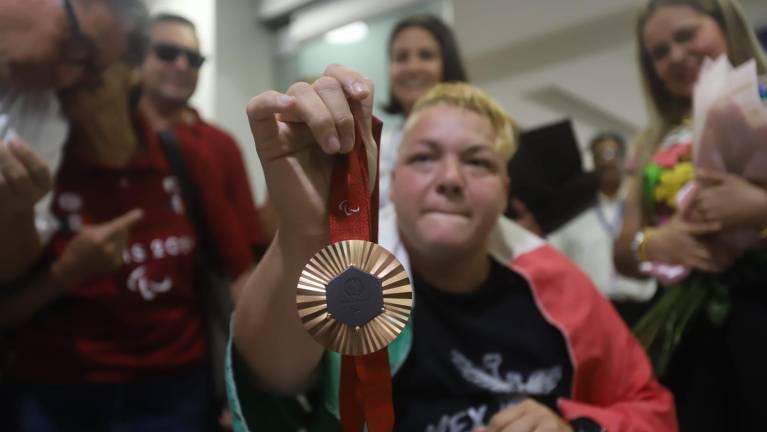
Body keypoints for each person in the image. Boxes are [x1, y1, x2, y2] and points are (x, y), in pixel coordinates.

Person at [227, 66, 676, 431]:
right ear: (393, 183)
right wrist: (306, 229)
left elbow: (651, 409)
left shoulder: (557, 286)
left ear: (504, 191)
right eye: (424, 157)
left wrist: (573, 428)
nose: (449, 179)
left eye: (477, 161)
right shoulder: (355, 278)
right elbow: (271, 377)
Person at [0, 49, 258, 431]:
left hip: (178, 390)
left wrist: (252, 383)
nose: (71, 79)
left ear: (131, 73)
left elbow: (240, 274)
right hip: (58, 391)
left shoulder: (180, 155)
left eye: (90, 60)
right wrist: (66, 273)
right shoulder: (43, 169)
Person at [613, 0, 767, 430]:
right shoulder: (652, 139)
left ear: (726, 25)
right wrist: (653, 243)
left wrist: (759, 207)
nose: (676, 57)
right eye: (659, 53)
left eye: (686, 36)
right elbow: (624, 251)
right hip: (687, 328)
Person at [0, 0, 148, 283]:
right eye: (75, 45)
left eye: (87, 72)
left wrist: (15, 212)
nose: (66, 78)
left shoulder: (43, 114)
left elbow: (8, 275)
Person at [138, 13, 269, 272]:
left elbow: (249, 243)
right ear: (136, 57)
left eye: (194, 59)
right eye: (167, 53)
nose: (181, 65)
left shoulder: (220, 145)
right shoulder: (106, 139)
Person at [549, 133, 656, 324]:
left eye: (612, 153)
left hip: (641, 313)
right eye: (599, 156)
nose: (607, 161)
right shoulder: (574, 212)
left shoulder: (644, 208)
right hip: (588, 313)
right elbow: (554, 261)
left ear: (625, 160)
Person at [378, 14, 468, 209]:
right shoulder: (379, 149)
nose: (412, 67)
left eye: (426, 55)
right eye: (401, 57)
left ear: (447, 64)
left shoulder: (478, 137)